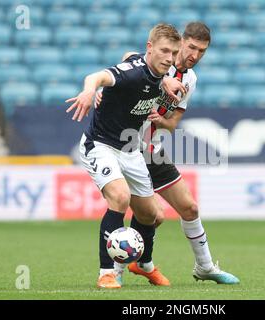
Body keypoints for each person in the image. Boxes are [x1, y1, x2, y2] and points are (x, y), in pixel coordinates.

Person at [96, 22, 239, 286]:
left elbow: (173, 123)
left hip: (152, 150)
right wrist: (107, 92)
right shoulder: (161, 59)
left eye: (202, 51)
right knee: (151, 214)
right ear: (181, 42)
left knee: (189, 207)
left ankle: (204, 267)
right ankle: (117, 270)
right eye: (192, 47)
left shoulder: (191, 80)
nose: (195, 55)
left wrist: (161, 122)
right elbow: (129, 58)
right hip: (124, 145)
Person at [65, 23, 181, 289]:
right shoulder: (131, 75)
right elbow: (98, 76)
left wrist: (164, 79)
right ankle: (107, 272)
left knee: (154, 215)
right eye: (164, 51)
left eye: (174, 53)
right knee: (119, 196)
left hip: (131, 150)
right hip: (101, 144)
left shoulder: (157, 69)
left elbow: (129, 53)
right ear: (150, 48)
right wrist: (89, 91)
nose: (169, 58)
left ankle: (143, 264)